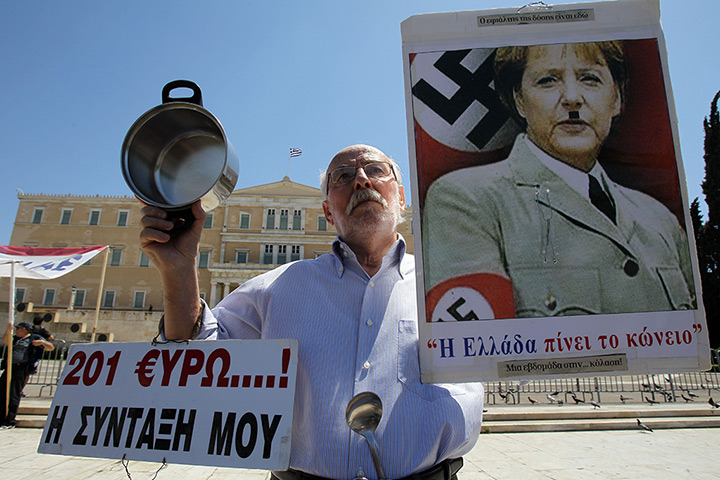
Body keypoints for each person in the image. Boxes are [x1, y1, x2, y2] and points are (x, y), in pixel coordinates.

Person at [140, 144, 484, 480]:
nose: (362, 181)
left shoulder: (453, 285)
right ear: (328, 212)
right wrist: (180, 272)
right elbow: (194, 359)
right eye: (343, 176)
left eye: (376, 170)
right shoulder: (276, 287)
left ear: (402, 197)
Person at [423, 41, 696, 320]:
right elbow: (475, 347)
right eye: (547, 81)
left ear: (616, 97)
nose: (572, 98)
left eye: (590, 78)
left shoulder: (659, 220)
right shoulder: (467, 200)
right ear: (519, 99)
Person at [1, 321, 55, 429]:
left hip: (21, 368)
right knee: (2, 391)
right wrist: (8, 330)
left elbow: (51, 347)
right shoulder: (15, 338)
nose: (16, 331)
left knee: (14, 393)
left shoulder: (34, 338)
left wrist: (42, 343)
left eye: (18, 328)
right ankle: (1, 417)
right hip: (10, 367)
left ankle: (10, 420)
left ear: (24, 329)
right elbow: (6, 341)